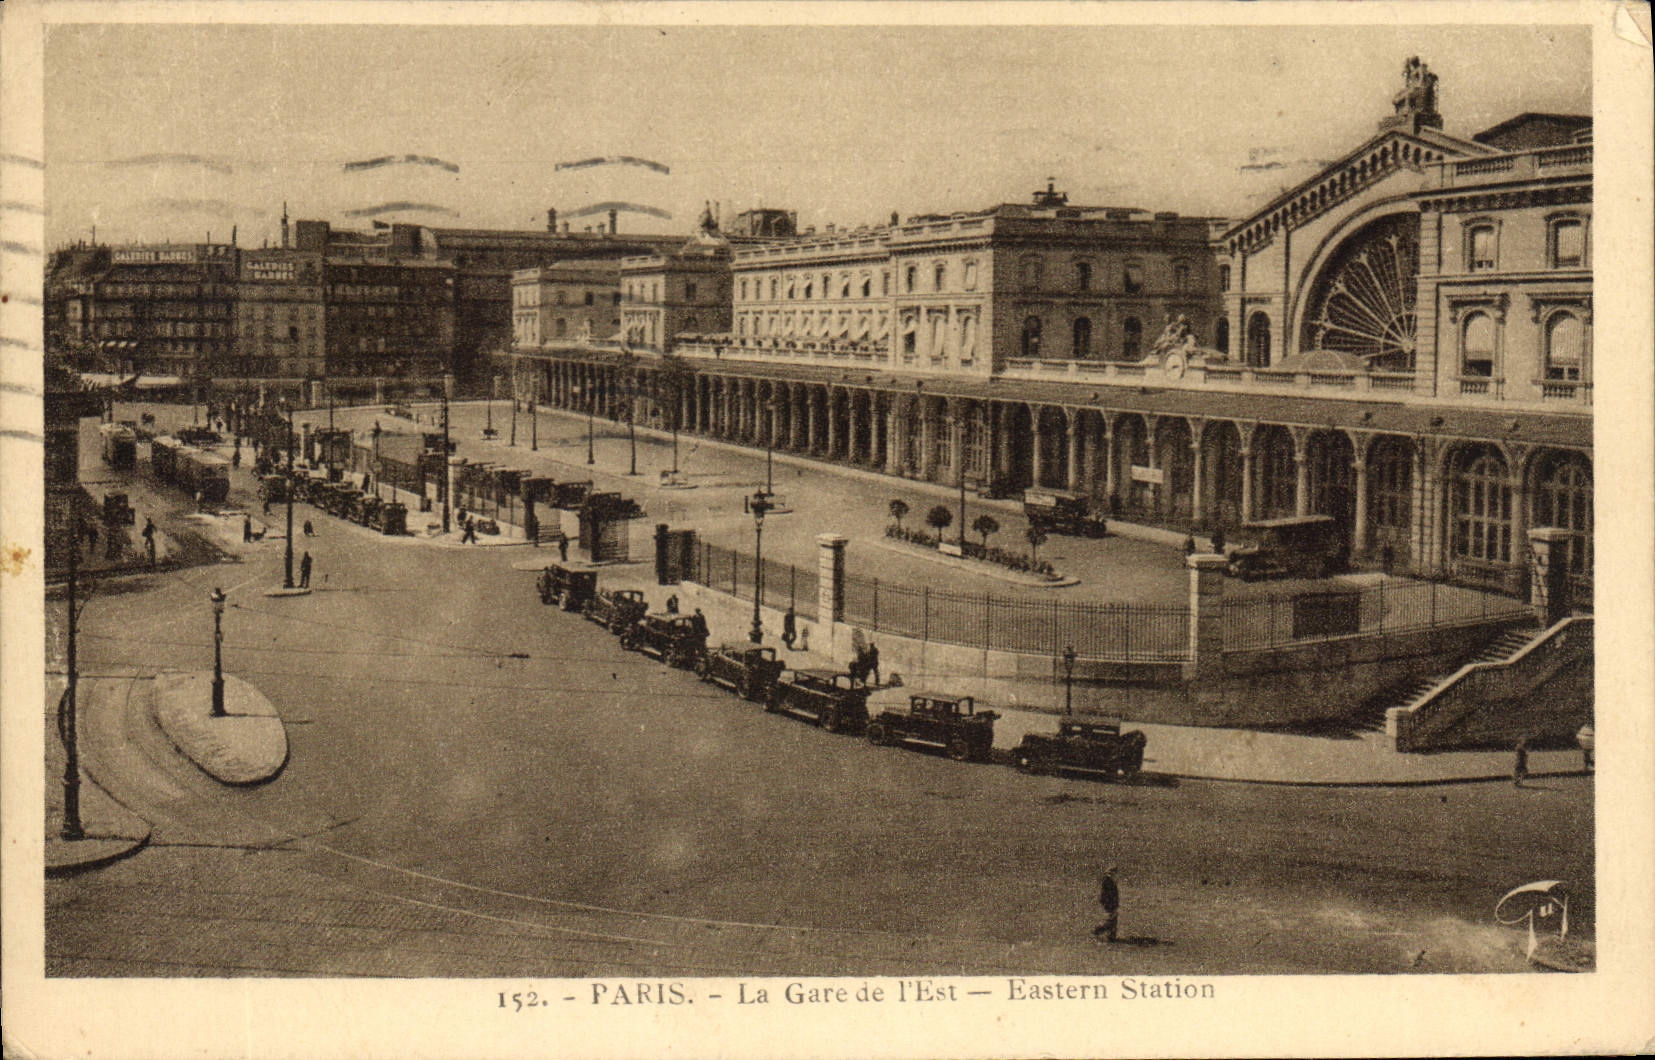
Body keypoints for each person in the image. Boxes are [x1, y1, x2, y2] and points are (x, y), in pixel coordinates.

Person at [1093, 866, 1121, 943]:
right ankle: (1103, 931)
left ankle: (1110, 934)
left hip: (1110, 902)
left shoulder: (1108, 880)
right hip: (1110, 902)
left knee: (1113, 918)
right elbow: (1108, 893)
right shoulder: (1108, 880)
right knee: (1112, 918)